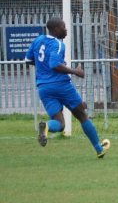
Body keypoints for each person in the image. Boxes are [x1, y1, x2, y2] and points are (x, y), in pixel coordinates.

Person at [25, 17, 110, 158]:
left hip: (44, 88)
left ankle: (46, 126)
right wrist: (76, 71)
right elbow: (55, 64)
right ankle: (99, 149)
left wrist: (43, 67)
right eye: (64, 27)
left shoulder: (38, 40)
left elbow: (28, 60)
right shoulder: (58, 44)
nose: (66, 29)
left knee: (60, 124)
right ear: (56, 29)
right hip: (61, 86)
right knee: (82, 115)